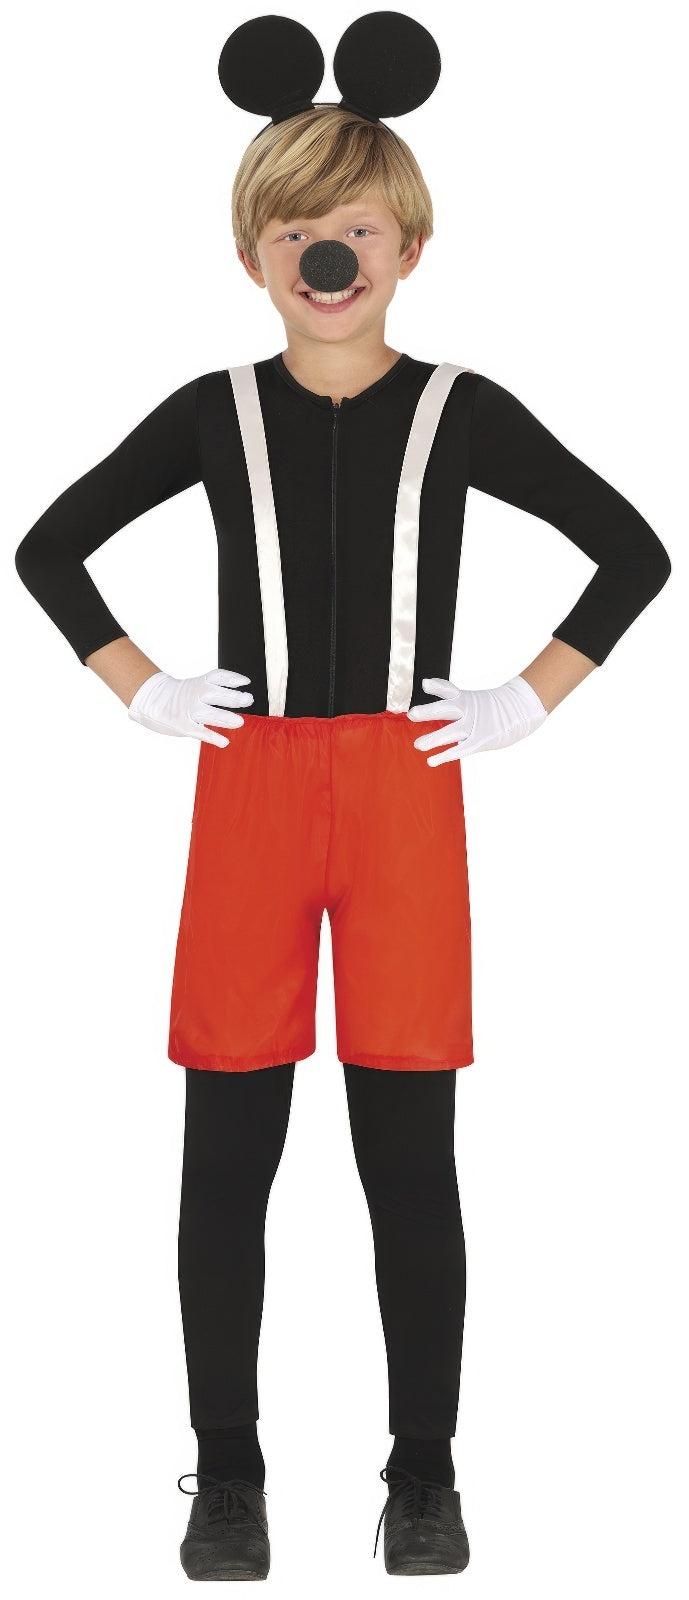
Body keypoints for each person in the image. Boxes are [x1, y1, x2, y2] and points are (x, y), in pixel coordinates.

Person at [14, 12, 671, 1583]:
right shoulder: (212, 410)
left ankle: (422, 1473)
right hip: (248, 785)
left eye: (357, 229)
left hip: (399, 788)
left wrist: (526, 695)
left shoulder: (458, 408)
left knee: (407, 1155)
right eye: (298, 229)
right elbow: (48, 545)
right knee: (227, 1152)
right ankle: (228, 1475)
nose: (328, 256)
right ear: (252, 252)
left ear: (409, 247)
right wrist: (138, 681)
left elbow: (632, 550)